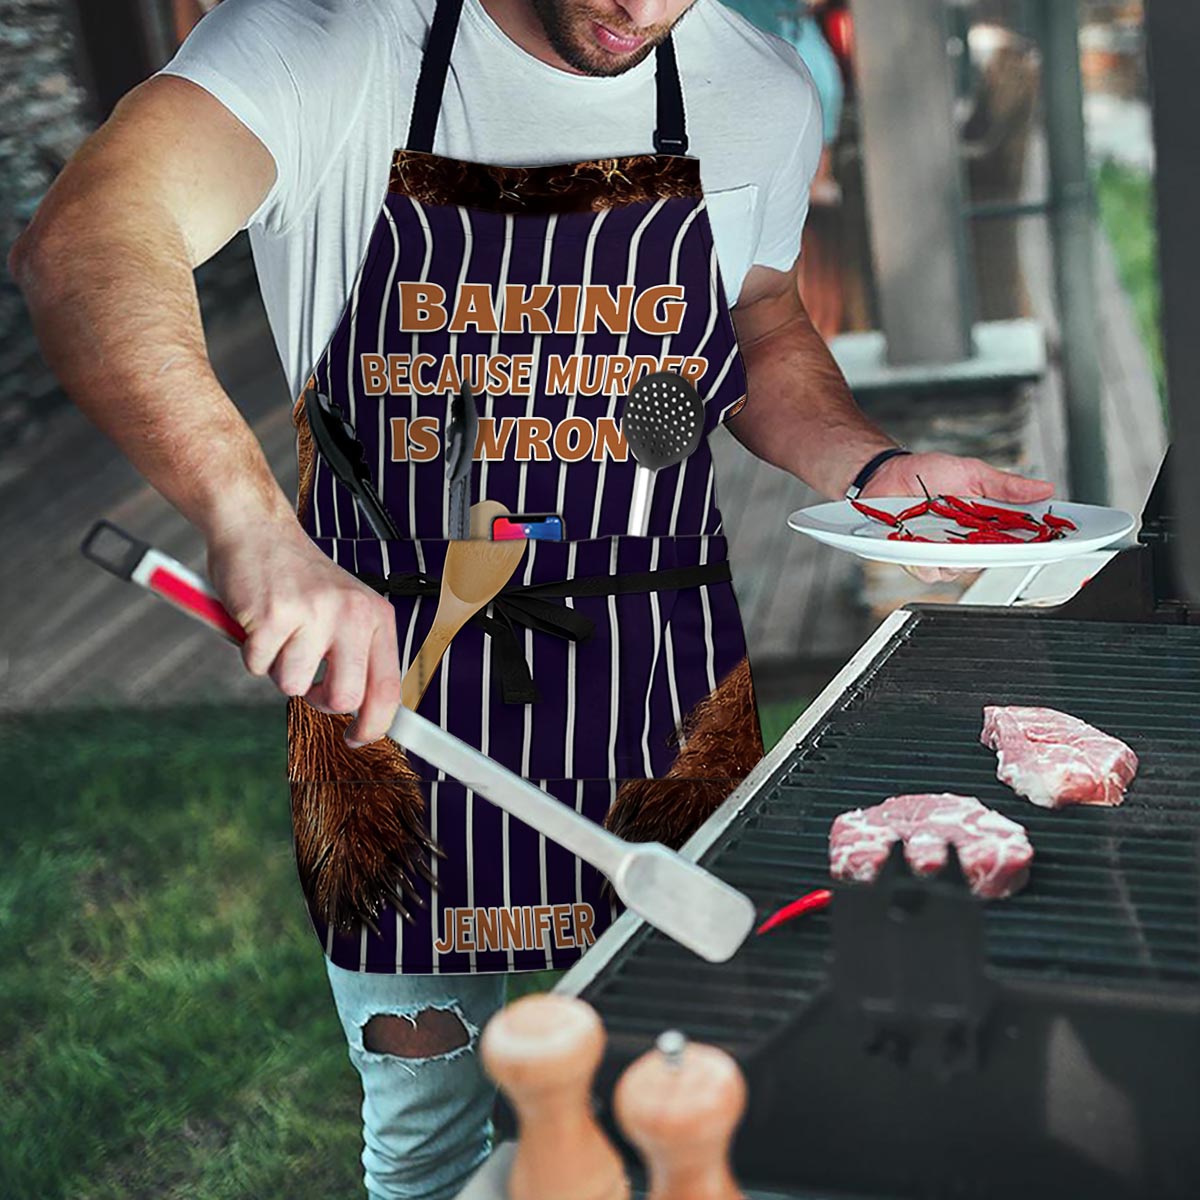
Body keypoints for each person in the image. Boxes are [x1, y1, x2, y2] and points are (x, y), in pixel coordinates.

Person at [8, 0, 1054, 1195]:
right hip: (391, 697)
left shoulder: (757, 90)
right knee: (428, 1132)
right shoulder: (330, 42)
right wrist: (256, 528)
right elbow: (90, 239)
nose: (643, 11)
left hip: (656, 689)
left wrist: (871, 469)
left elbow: (757, 320)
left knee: (692, 1099)